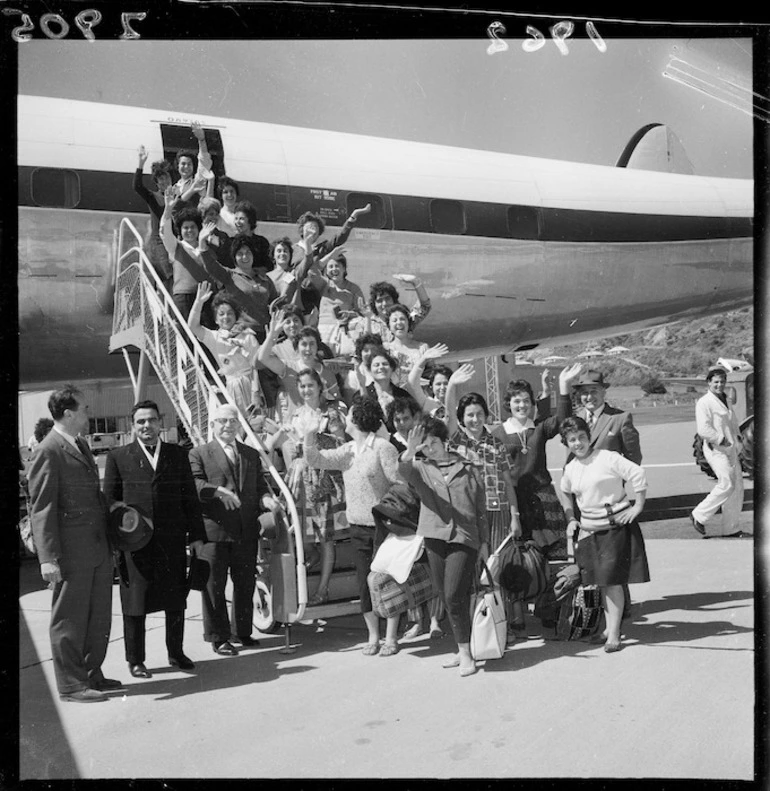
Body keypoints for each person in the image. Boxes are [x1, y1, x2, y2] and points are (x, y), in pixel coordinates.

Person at [27, 386, 119, 702]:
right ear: (69, 413)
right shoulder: (48, 450)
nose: (88, 414)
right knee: (69, 617)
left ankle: (92, 673)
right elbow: (41, 508)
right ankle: (71, 684)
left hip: (95, 547)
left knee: (98, 616)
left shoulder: (79, 445)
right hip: (70, 552)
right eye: (85, 409)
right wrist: (48, 558)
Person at [104, 401, 206, 678]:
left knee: (175, 600)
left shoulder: (177, 454)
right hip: (134, 545)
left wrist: (197, 536)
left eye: (151, 420)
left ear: (161, 423)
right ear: (132, 425)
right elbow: (111, 503)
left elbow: (190, 500)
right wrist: (117, 540)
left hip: (171, 541)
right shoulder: (118, 456)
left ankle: (176, 652)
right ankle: (135, 660)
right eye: (140, 422)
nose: (146, 426)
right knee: (135, 603)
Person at [303, 397, 402, 656]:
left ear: (358, 418)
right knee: (363, 583)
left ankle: (391, 637)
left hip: (384, 526)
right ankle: (373, 636)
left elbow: (399, 485)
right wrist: (310, 433)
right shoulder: (347, 450)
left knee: (387, 580)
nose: (344, 418)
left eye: (349, 414)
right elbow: (314, 459)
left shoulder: (383, 447)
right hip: (357, 527)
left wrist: (390, 514)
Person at [399, 416, 489, 677]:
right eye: (425, 446)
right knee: (445, 592)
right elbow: (404, 471)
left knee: (453, 594)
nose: (430, 449)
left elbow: (480, 508)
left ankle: (465, 653)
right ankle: (463, 648)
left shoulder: (469, 467)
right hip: (435, 536)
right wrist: (411, 449)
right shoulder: (421, 468)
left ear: (444, 440)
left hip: (464, 536)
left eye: (434, 443)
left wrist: (484, 542)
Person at [558, 416, 650, 653]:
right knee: (601, 583)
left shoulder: (608, 457)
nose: (578, 443)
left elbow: (637, 474)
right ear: (566, 443)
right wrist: (571, 518)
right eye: (572, 440)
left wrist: (637, 506)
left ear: (589, 437)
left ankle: (614, 634)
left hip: (614, 529)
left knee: (611, 582)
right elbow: (565, 492)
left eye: (581, 437)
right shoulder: (570, 468)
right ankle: (610, 629)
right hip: (589, 532)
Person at [188, 404, 271, 654]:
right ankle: (218, 637)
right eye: (222, 421)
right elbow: (194, 483)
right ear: (212, 425)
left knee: (245, 582)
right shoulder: (198, 453)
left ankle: (241, 631)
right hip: (214, 531)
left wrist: (266, 499)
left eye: (233, 421)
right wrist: (216, 491)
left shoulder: (250, 454)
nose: (228, 425)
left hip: (245, 530)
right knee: (214, 585)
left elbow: (260, 486)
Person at [270, 369, 348, 604]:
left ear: (319, 386)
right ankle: (304, 572)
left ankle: (322, 589)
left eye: (310, 385)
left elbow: (342, 443)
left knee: (326, 537)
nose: (306, 390)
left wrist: (318, 439)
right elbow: (284, 445)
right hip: (301, 475)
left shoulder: (331, 413)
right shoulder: (297, 415)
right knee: (302, 533)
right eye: (302, 386)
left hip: (324, 474)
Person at [385, 397, 446, 640]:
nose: (401, 423)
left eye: (406, 418)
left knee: (432, 564)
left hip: (428, 507)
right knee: (410, 566)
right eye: (397, 419)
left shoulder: (426, 437)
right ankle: (416, 621)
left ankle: (434, 619)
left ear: (415, 418)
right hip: (405, 510)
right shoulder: (390, 442)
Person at [188, 282, 261, 418]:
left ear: (236, 316)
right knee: (238, 424)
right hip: (232, 386)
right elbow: (193, 326)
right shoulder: (215, 338)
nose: (225, 317)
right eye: (221, 314)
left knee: (256, 423)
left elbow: (256, 366)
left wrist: (256, 392)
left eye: (229, 314)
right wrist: (198, 302)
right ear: (216, 319)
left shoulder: (247, 336)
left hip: (251, 384)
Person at [691, 366, 746, 538]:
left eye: (722, 381)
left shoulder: (726, 400)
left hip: (731, 449)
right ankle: (698, 515)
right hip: (716, 449)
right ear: (709, 383)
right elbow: (703, 429)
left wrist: (738, 439)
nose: (719, 385)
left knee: (737, 488)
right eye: (716, 382)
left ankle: (731, 529)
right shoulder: (704, 402)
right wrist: (721, 440)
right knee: (727, 483)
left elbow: (733, 422)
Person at [258, 312, 344, 421]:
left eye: (312, 344)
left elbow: (337, 399)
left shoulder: (325, 371)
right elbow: (262, 358)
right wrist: (272, 336)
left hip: (320, 424)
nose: (308, 349)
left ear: (317, 347)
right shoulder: (288, 368)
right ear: (297, 348)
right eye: (304, 344)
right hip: (295, 424)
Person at [198, 228, 279, 341]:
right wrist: (202, 242)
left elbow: (275, 303)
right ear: (234, 257)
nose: (245, 257)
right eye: (240, 254)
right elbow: (211, 266)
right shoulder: (230, 275)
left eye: (248, 253)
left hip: (265, 334)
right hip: (241, 334)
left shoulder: (264, 279)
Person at [293, 205, 371, 320]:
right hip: (296, 295)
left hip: (315, 295)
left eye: (315, 227)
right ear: (302, 229)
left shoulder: (322, 249)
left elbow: (340, 237)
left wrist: (353, 216)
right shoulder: (293, 249)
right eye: (309, 226)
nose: (312, 229)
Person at [302, 244, 366, 352]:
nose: (334, 269)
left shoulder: (354, 288)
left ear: (344, 269)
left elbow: (363, 311)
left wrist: (350, 314)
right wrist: (330, 255)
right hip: (324, 329)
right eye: (330, 267)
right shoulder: (324, 284)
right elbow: (312, 272)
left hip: (346, 330)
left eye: (337, 266)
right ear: (326, 271)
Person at [570, 369, 642, 465]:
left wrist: (617, 480)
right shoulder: (574, 418)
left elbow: (633, 458)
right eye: (585, 393)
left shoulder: (620, 418)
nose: (589, 397)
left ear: (603, 392)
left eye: (594, 391)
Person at [159, 189, 211, 320]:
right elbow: (165, 232)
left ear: (198, 229)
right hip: (183, 297)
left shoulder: (206, 247)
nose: (189, 231)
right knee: (185, 336)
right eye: (185, 228)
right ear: (180, 231)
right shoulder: (176, 246)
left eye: (192, 227)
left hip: (206, 296)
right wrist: (168, 209)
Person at [133, 146, 173, 284]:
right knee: (169, 274)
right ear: (156, 182)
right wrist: (141, 164)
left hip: (173, 242)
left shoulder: (179, 198)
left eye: (166, 177)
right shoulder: (153, 197)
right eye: (160, 179)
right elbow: (137, 187)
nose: (164, 181)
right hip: (158, 243)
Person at [363, 277, 432, 343]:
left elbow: (424, 306)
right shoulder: (367, 322)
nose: (384, 304)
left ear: (394, 300)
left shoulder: (405, 319)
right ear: (374, 304)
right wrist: (367, 318)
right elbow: (363, 345)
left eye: (387, 299)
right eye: (379, 300)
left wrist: (416, 283)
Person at [383, 304, 429, 387]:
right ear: (389, 326)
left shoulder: (422, 347)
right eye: (394, 320)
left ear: (408, 323)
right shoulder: (385, 349)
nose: (399, 323)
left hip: (418, 395)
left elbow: (431, 374)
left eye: (402, 319)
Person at [173, 122, 213, 207]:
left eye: (189, 164)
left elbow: (204, 160)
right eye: (183, 164)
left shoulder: (198, 181)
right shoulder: (174, 188)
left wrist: (201, 140)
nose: (186, 167)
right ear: (178, 166)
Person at [232, 200, 272, 271]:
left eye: (241, 219)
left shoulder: (261, 242)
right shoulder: (231, 242)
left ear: (250, 220)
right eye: (236, 218)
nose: (237, 222)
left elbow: (268, 266)